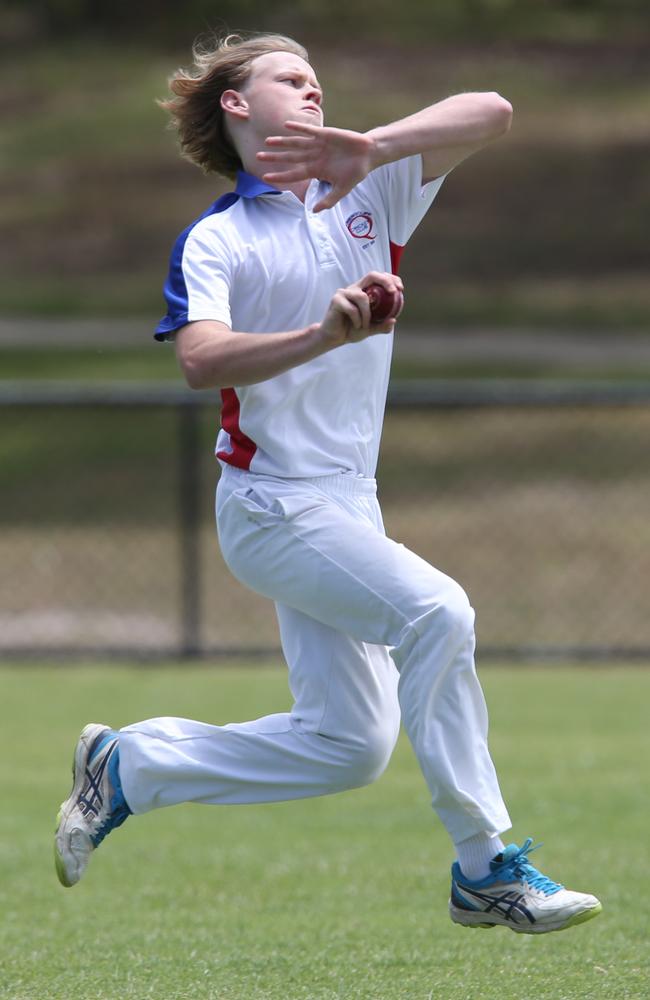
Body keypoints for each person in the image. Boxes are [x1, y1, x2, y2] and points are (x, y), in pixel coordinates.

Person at [55, 32, 601, 934]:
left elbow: (494, 113)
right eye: (290, 78)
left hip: (349, 502)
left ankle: (130, 768)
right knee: (439, 612)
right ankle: (485, 866)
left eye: (319, 81)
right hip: (274, 505)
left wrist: (376, 145)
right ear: (237, 104)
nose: (314, 91)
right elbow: (200, 362)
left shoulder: (368, 187)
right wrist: (323, 334)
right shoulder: (216, 238)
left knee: (349, 747)